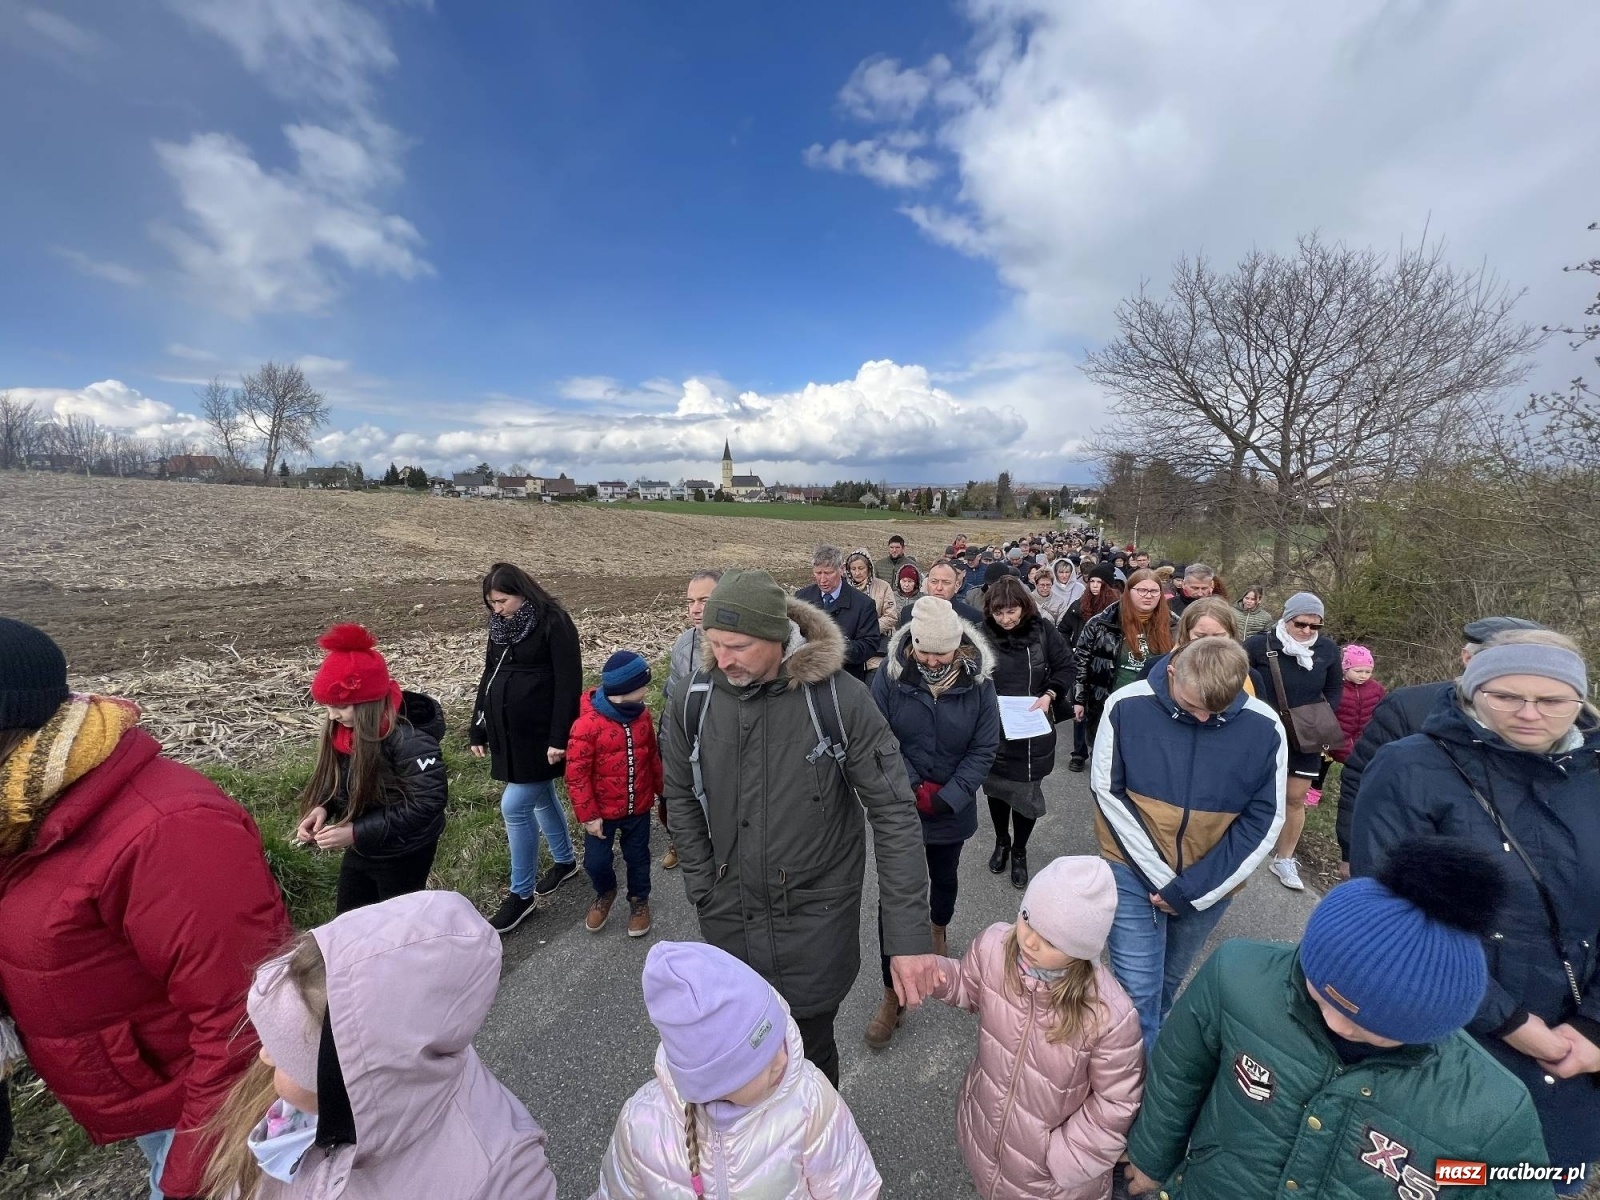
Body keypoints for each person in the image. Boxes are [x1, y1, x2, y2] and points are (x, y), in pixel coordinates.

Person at [0, 617, 289, 1200]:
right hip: (146, 1092)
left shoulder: (171, 831)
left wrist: (191, 1183)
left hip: (196, 1105)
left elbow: (243, 1022)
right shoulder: (20, 814)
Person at [1125, 838, 1551, 1200]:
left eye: (1371, 1028)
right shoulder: (1236, 975)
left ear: (1431, 1026)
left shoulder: (1492, 1110)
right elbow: (1179, 1072)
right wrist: (1150, 1157)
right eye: (1323, 995)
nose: (1336, 1024)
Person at [659, 570, 938, 1086]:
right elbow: (678, 794)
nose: (723, 660)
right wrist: (703, 886)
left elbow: (894, 812)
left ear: (777, 636)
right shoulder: (693, 700)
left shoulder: (839, 700)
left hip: (814, 925)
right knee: (741, 1057)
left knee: (808, 1057)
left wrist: (907, 937)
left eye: (737, 646)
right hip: (728, 920)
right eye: (714, 644)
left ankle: (821, 1134)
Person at [1350, 632, 1600, 1187]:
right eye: (1506, 696)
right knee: (1431, 1179)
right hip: (1444, 1036)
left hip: (1573, 1059)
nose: (1529, 713)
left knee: (1530, 1183)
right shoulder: (1412, 768)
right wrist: (1509, 1022)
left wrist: (1593, 1030)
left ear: (1579, 701)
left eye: (1552, 700)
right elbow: (1390, 916)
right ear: (1471, 691)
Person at [204, 891, 558, 1200]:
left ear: (352, 1075)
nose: (263, 1056)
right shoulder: (296, 1117)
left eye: (286, 1057)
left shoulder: (502, 1177)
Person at [1092, 636, 1287, 1051]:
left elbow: (1266, 818)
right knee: (1136, 994)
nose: (1202, 718)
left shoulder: (1266, 726)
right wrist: (1163, 880)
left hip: (1210, 880)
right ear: (1172, 671)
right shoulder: (1126, 705)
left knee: (1164, 988)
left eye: (1216, 711)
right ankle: (1129, 1085)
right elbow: (1108, 792)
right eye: (1193, 705)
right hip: (1132, 870)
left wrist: (1193, 889)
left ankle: (1144, 1067)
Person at [593, 941, 881, 1199]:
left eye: (777, 1040)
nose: (783, 1060)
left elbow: (852, 1186)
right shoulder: (640, 1126)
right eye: (762, 1063)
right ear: (715, 1084)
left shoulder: (809, 1101)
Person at [933, 857, 1143, 1200]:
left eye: (1051, 940)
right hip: (987, 1129)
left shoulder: (1108, 1015)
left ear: (1081, 948)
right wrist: (935, 975)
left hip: (1050, 1180)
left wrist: (1065, 1158)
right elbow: (967, 987)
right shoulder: (995, 947)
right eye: (1028, 918)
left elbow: (1117, 1102)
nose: (1029, 941)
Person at [867, 597, 1001, 1049]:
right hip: (900, 806)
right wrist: (910, 786)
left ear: (958, 646)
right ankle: (892, 993)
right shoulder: (890, 678)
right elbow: (878, 736)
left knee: (943, 878)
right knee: (895, 894)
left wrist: (949, 797)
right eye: (924, 652)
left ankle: (938, 926)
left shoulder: (979, 684)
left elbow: (984, 747)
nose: (931, 661)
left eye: (941, 654)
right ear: (913, 644)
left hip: (950, 807)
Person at [1335, 615, 1544, 876]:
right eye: (1499, 660)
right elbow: (1361, 778)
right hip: (1409, 868)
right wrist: (1351, 849)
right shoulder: (1409, 708)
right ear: (1467, 658)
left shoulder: (1550, 726)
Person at [293, 624, 449, 914]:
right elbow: (344, 778)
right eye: (327, 707)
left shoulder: (410, 740)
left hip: (404, 850)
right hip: (365, 843)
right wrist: (323, 806)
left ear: (369, 701)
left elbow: (427, 803)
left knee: (395, 923)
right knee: (350, 917)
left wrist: (356, 832)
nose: (332, 716)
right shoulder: (345, 731)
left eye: (341, 706)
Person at [469, 563, 585, 933]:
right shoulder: (499, 626)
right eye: (491, 603)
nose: (497, 609)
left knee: (514, 805)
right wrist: (478, 725)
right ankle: (565, 862)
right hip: (508, 733)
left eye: (502, 600)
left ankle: (521, 895)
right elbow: (489, 675)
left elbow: (569, 681)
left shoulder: (554, 622)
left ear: (522, 592)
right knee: (540, 796)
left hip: (541, 733)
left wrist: (560, 736)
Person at [982, 576, 1075, 891]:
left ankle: (1019, 849)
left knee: (1026, 794)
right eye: (999, 613)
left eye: (1012, 611)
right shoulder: (981, 635)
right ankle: (1002, 840)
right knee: (996, 790)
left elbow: (1066, 667)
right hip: (993, 726)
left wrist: (1050, 693)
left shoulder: (1043, 630)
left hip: (1031, 725)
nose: (1006, 619)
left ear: (1024, 607)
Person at [1245, 592, 1342, 892]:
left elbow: (1334, 688)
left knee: (1295, 797)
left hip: (1306, 733)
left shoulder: (1328, 650)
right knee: (1247, 789)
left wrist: (1321, 716)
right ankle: (1235, 844)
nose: (1307, 631)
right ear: (1287, 618)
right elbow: (1240, 680)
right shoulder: (1258, 645)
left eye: (1315, 626)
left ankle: (1284, 857)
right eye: (1300, 624)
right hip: (1263, 730)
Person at [567, 651, 663, 940]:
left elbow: (652, 757)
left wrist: (665, 792)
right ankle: (605, 891)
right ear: (625, 689)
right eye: (642, 686)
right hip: (602, 814)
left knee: (638, 858)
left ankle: (639, 900)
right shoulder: (587, 726)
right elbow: (576, 775)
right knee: (595, 862)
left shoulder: (642, 716)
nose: (646, 691)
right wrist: (589, 816)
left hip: (638, 807)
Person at [1072, 569, 1178, 749]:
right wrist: (1078, 699)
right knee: (1108, 755)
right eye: (1142, 590)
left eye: (1154, 591)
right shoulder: (1102, 623)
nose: (1148, 596)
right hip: (1111, 702)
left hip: (1157, 706)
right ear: (1129, 591)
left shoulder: (1174, 625)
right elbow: (1081, 662)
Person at [661, 569, 723, 870]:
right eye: (690, 602)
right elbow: (673, 703)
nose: (695, 609)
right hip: (695, 746)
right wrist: (668, 750)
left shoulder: (745, 643)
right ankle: (685, 843)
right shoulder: (684, 646)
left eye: (704, 601)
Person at [794, 544, 884, 682]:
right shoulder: (801, 598)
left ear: (841, 569)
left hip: (847, 679)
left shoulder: (863, 604)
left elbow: (870, 644)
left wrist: (838, 647)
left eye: (828, 573)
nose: (822, 580)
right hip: (808, 679)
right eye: (818, 573)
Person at [1329, 643, 1384, 768]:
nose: (1363, 675)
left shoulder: (1376, 689)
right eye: (1358, 671)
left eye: (1368, 672)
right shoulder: (1335, 688)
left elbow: (1382, 711)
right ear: (1345, 669)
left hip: (1365, 741)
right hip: (1338, 740)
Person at [889, 559, 982, 631]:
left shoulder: (973, 617)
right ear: (927, 583)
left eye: (946, 582)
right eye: (934, 582)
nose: (939, 587)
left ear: (957, 585)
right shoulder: (909, 612)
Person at [846, 548, 898, 637]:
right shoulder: (845, 588)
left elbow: (891, 616)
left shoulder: (883, 586)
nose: (857, 573)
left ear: (869, 568)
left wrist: (868, 629)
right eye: (853, 569)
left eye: (861, 568)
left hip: (880, 636)